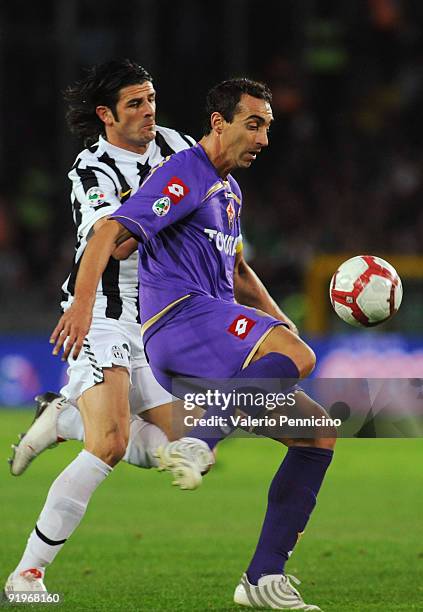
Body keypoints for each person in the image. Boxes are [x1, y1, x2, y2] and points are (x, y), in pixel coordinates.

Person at [49, 78, 335, 610]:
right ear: (219, 122)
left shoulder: (228, 189)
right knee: (299, 359)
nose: (264, 138)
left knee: (316, 433)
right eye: (254, 124)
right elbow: (110, 232)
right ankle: (201, 439)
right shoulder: (186, 172)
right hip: (179, 321)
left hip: (209, 326)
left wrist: (278, 319)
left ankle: (261, 580)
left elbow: (238, 268)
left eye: (268, 126)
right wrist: (83, 305)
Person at [5, 58, 201, 595]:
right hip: (105, 314)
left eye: (151, 99)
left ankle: (63, 418)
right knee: (110, 443)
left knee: (192, 444)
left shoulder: (177, 146)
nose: (148, 112)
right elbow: (111, 241)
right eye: (135, 104)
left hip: (162, 318)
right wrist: (170, 209)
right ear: (106, 115)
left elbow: (208, 202)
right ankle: (27, 573)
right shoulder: (91, 170)